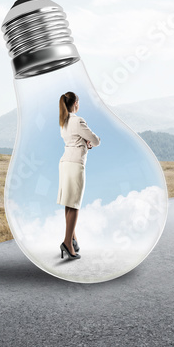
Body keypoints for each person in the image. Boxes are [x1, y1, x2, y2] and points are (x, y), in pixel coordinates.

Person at [56, 91, 100, 260]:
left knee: (68, 202)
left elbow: (74, 140)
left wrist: (83, 142)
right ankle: (67, 242)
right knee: (74, 204)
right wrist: (89, 143)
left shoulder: (63, 121)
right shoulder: (78, 120)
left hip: (65, 163)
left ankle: (73, 239)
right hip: (75, 164)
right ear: (75, 103)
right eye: (78, 102)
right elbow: (95, 140)